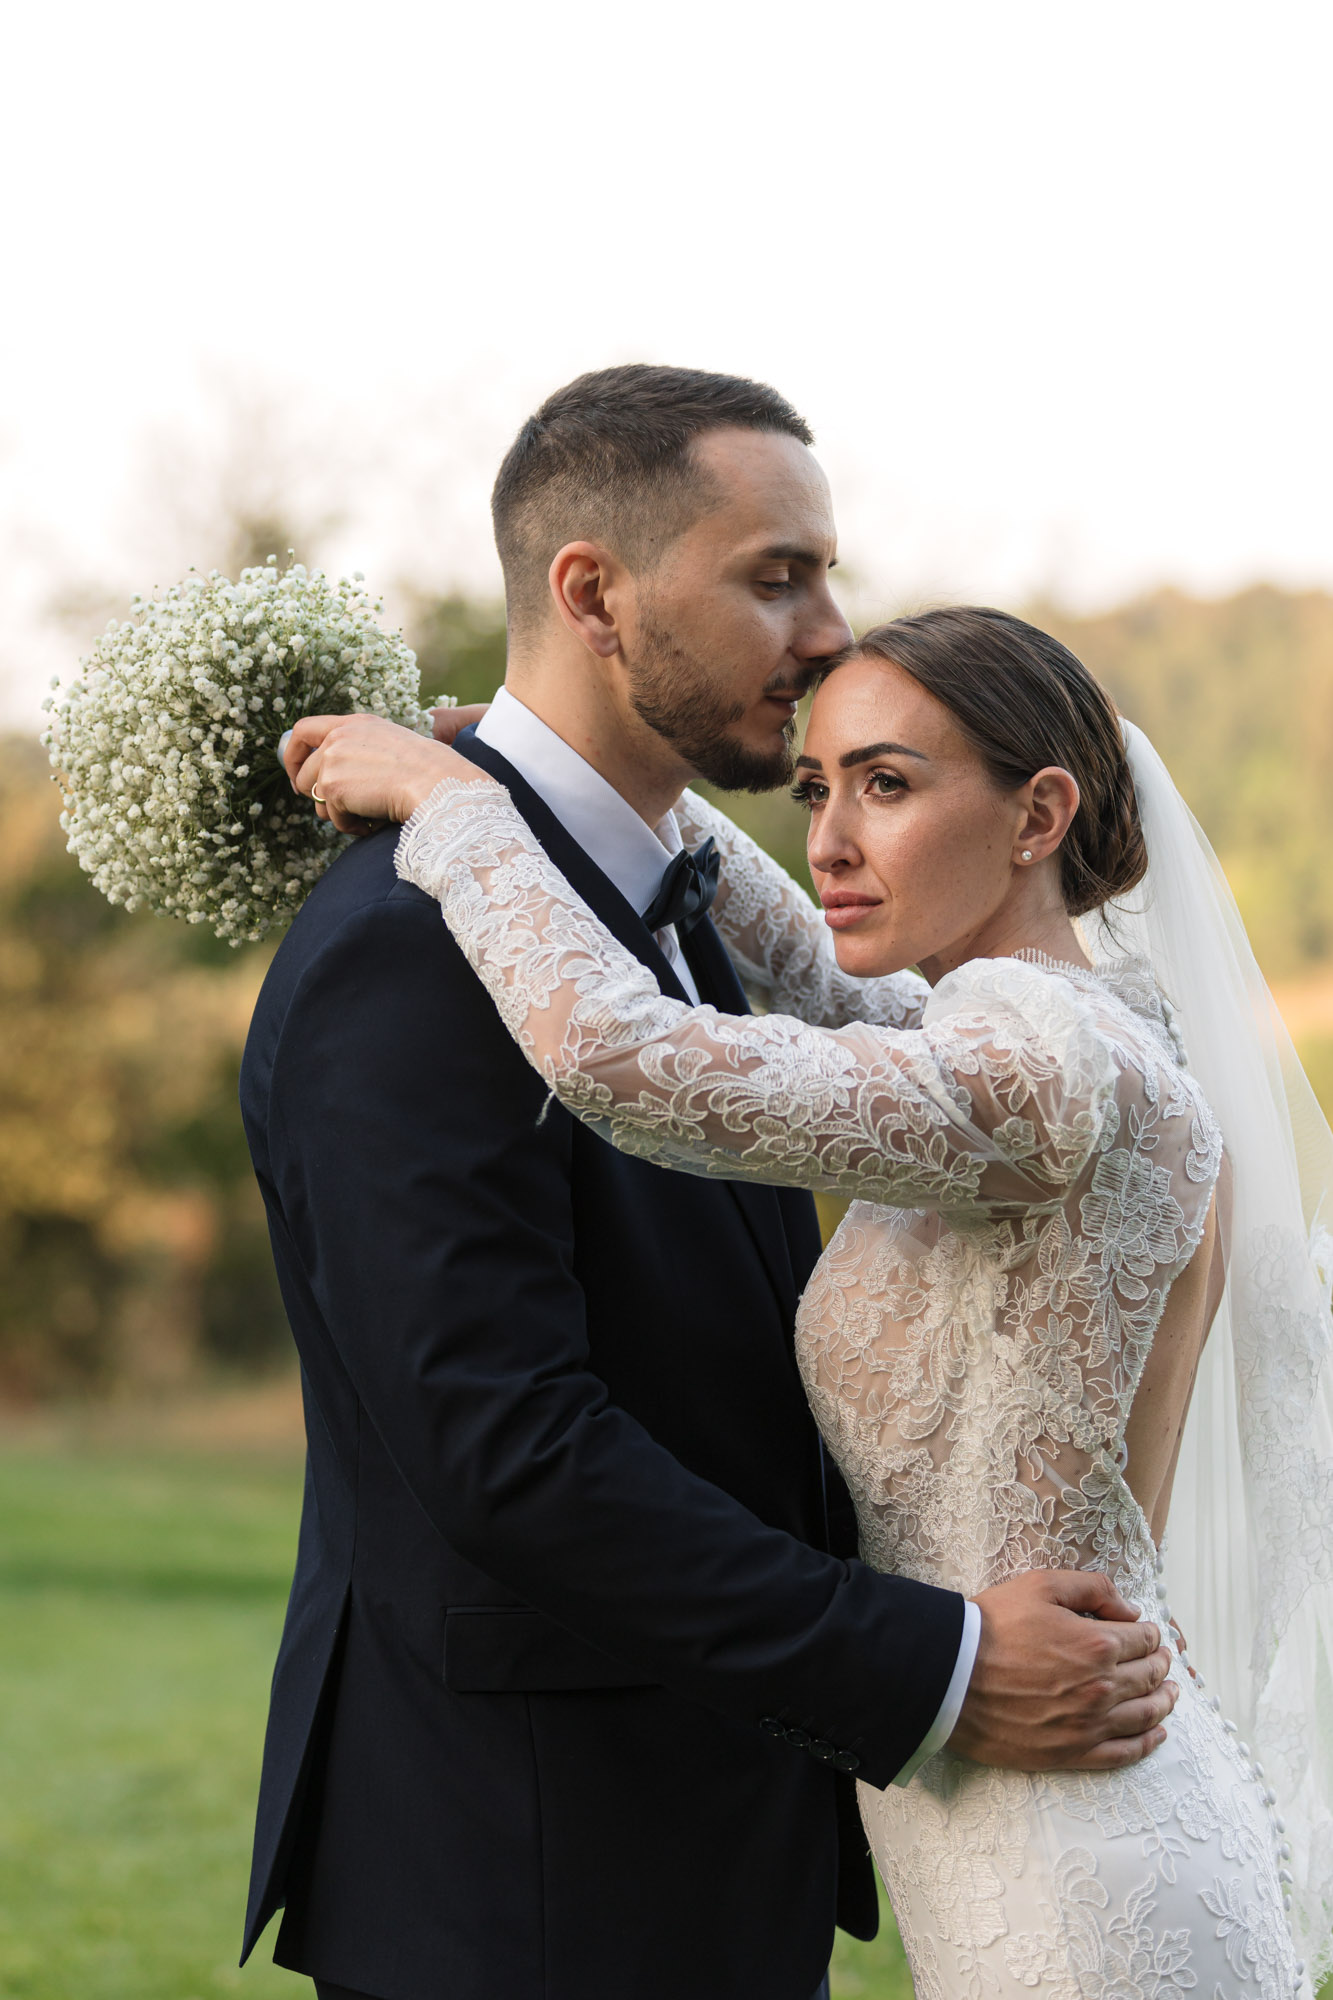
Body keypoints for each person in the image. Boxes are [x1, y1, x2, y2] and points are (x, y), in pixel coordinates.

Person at [246, 367, 1178, 2000]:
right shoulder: (410, 945)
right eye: (775, 577)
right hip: (530, 1880)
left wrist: (485, 804)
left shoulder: (686, 910)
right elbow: (509, 1448)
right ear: (592, 595)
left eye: (825, 574)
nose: (829, 631)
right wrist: (937, 1666)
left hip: (713, 1837)